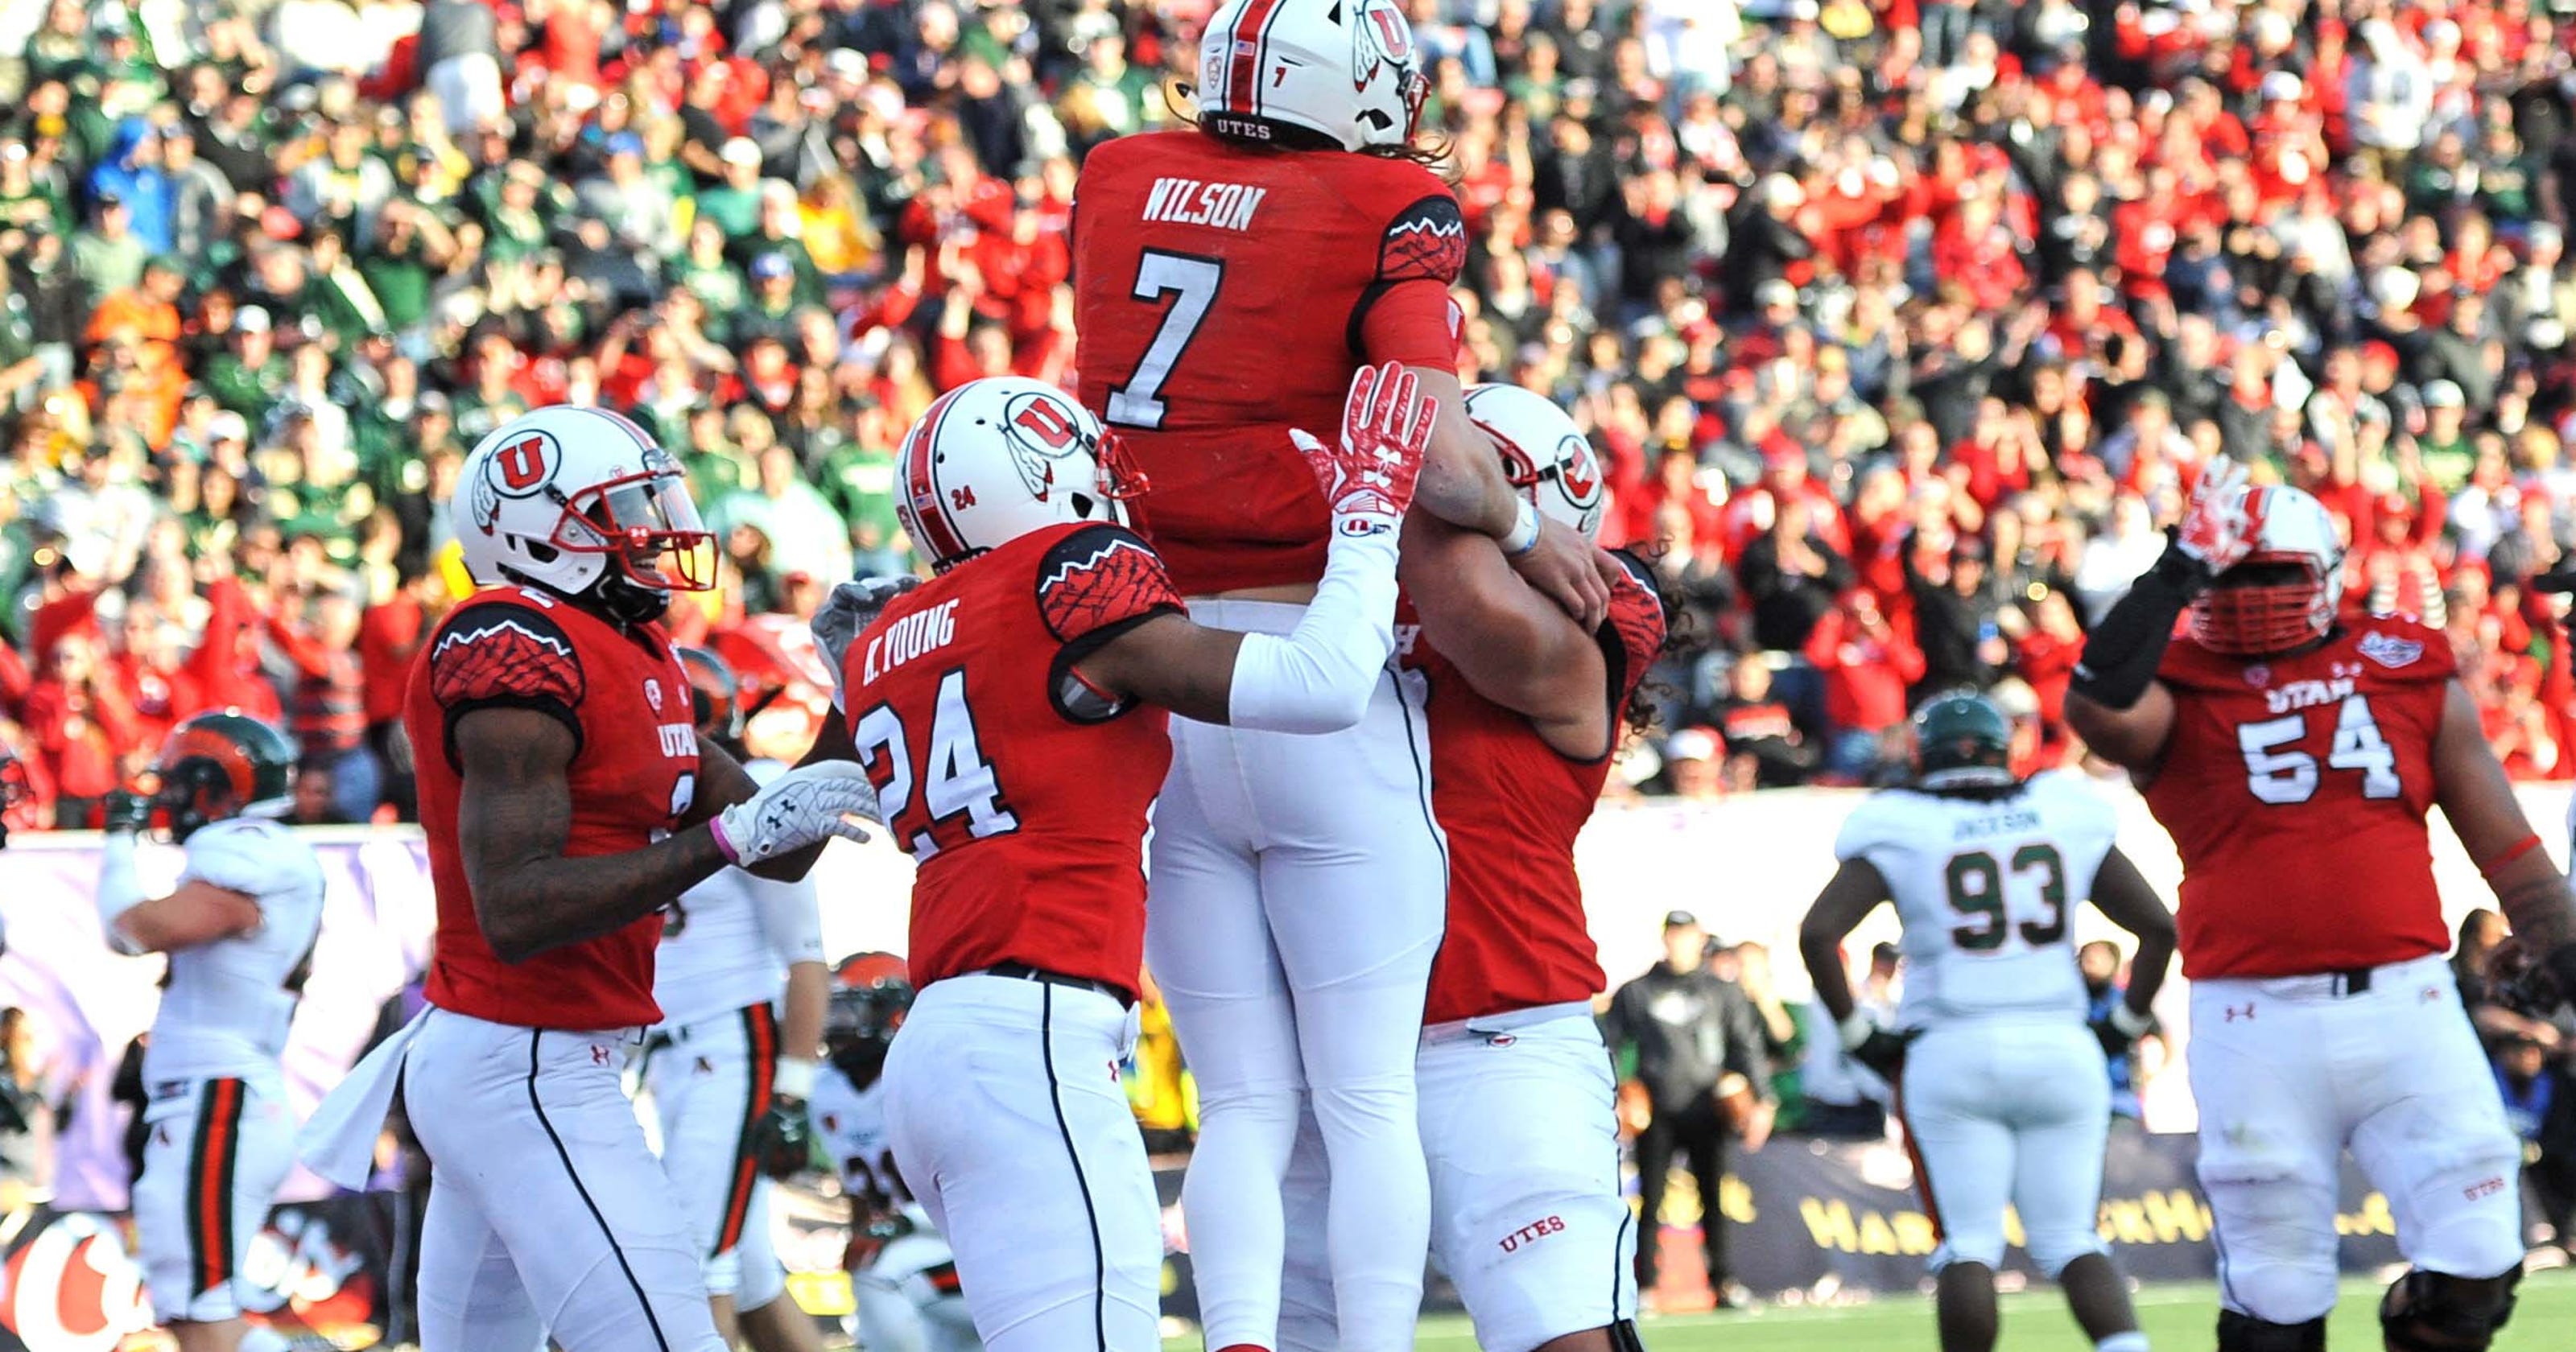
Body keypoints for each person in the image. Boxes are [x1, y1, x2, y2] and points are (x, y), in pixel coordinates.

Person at [1070, 5, 1613, 1345]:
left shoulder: (1119, 172)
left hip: (1180, 677)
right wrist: (1525, 519)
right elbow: (1434, 460)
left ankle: (1245, 1336)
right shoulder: (1389, 199)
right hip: (1316, 654)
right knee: (1366, 1100)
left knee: (1245, 1104)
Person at [806, 367, 1431, 1352]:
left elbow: (796, 832)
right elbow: (1319, 685)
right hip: (1030, 1031)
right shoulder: (1061, 573)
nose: (1108, 483)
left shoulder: (886, 635)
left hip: (941, 1040)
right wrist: (1366, 516)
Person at [298, 405, 882, 1352]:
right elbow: (517, 910)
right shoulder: (509, 644)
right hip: (522, 1057)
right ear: (541, 530)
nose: (660, 525)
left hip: (542, 1055)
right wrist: (724, 842)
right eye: (627, 508)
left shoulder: (631, 650)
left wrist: (855, 695)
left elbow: (786, 847)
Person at [2066, 461, 2576, 1352]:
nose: (2250, 598)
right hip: (2252, 1017)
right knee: (2274, 1301)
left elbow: (2510, 853)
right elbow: (2098, 705)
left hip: (2404, 1004)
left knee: (2476, 1265)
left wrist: (2562, 956)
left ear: (2326, 574)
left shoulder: (2399, 666)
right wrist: (2172, 568)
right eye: (2230, 578)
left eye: (2273, 576)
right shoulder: (2172, 684)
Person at [1274, 382, 1666, 1352]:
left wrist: (1402, 446)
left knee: (1561, 1339)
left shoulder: (1579, 634)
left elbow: (1462, 595)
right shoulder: (1355, 585)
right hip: (1322, 1057)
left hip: (1493, 1039)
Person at [1798, 692, 2173, 1352]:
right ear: (2008, 749)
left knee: (1968, 1245)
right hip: (2060, 1045)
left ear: (1922, 753)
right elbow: (2157, 928)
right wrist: (2127, 1021)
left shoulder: (1899, 821)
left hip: (1952, 1047)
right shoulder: (2064, 808)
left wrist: (1860, 1036)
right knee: (2072, 1240)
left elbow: (1820, 933)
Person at [95, 712, 322, 1352]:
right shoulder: (261, 853)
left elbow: (132, 929)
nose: (168, 796)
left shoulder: (250, 853)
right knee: (190, 1313)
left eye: (179, 780)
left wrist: (119, 841)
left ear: (217, 785)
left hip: (218, 1096)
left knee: (205, 1317)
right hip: (210, 1094)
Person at [644, 645, 830, 1352]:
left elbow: (805, 958)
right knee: (749, 1274)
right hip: (662, 1056)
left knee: (693, 1269)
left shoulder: (753, 792)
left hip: (727, 1045)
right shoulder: (634, 795)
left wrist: (791, 1090)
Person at [1600, 909, 1774, 1310]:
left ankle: (1724, 1283)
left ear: (1699, 938)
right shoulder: (1638, 991)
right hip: (1657, 1109)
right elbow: (1608, 1044)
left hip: (1707, 1106)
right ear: (1666, 939)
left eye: (1687, 935)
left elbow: (1747, 1046)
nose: (1680, 943)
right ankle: (1645, 1287)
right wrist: (1613, 1095)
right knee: (1651, 1202)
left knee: (1714, 1200)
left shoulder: (1721, 991)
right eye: (1674, 935)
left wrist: (1762, 1101)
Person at [808, 957, 982, 1352]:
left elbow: (976, 1186)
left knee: (879, 1275)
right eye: (834, 1012)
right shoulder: (826, 1090)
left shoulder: (933, 1076)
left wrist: (903, 1224)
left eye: (852, 1011)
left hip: (963, 1243)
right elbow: (860, 1198)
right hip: (911, 1247)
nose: (839, 1027)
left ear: (894, 1014)